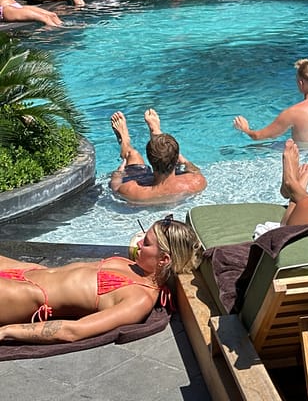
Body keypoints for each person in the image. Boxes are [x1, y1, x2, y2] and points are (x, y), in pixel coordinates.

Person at [0, 216, 200, 343]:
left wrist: (8, 331)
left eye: (146, 243)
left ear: (164, 259)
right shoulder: (134, 266)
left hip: (25, 296)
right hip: (27, 271)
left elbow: (74, 331)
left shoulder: (139, 299)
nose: (138, 243)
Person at [233, 58, 308, 144]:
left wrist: (245, 129)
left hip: (305, 159)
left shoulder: (294, 112)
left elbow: (258, 136)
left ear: (301, 83)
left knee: (254, 147)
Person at [110, 109, 207, 203]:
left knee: (132, 154)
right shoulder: (197, 182)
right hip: (175, 181)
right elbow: (195, 170)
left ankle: (125, 141)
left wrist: (118, 173)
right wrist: (185, 162)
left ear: (149, 159)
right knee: (165, 148)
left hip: (147, 183)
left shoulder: (134, 191)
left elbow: (115, 187)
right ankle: (156, 132)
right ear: (177, 158)